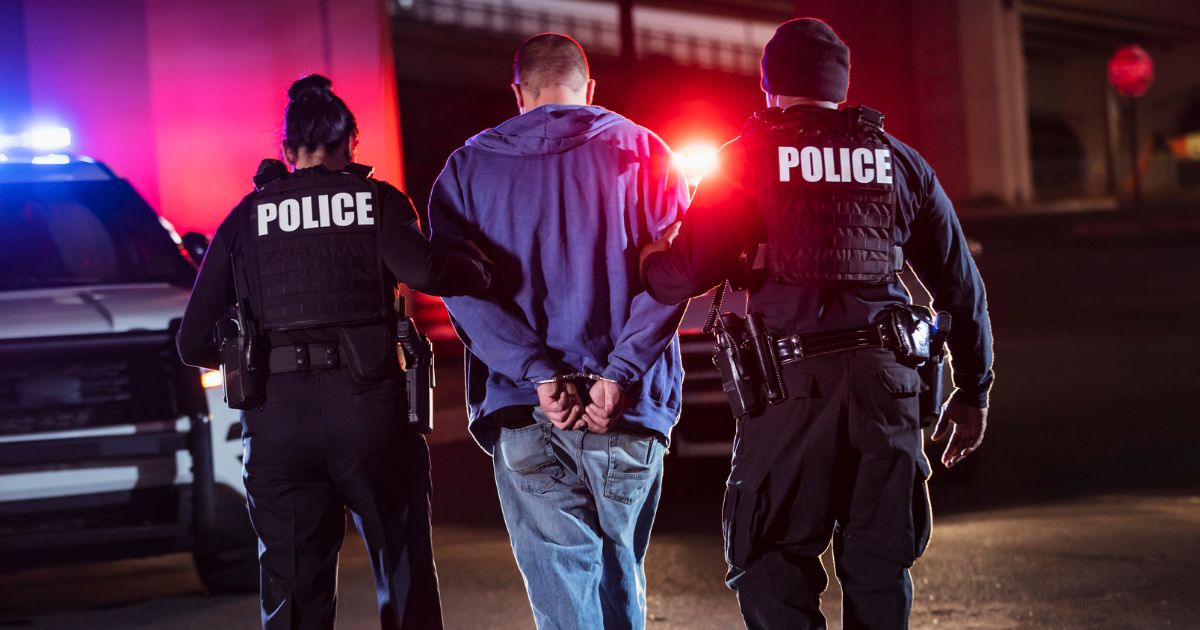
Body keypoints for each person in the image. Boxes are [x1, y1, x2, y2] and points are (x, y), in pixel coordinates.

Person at [639, 18, 994, 630]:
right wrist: (974, 389)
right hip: (890, 384)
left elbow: (685, 274)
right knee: (880, 564)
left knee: (769, 555)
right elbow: (961, 287)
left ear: (769, 88)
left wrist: (651, 258)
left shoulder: (747, 158)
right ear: (841, 86)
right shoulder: (899, 161)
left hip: (793, 386)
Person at [177, 74, 492, 630]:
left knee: (295, 596)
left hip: (278, 425)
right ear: (352, 144)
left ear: (285, 150)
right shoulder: (379, 203)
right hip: (370, 413)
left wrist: (256, 356)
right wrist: (484, 266)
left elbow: (192, 342)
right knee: (402, 571)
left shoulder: (246, 217)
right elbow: (430, 272)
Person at [425, 33, 689, 630]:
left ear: (518, 93)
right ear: (589, 89)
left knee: (567, 604)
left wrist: (538, 373)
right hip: (625, 410)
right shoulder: (646, 152)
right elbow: (673, 280)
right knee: (621, 579)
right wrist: (619, 373)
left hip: (526, 411)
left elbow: (461, 290)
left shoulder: (468, 168)